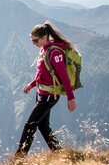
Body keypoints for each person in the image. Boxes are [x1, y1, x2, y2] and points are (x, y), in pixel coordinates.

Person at [16, 22, 77, 156]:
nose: (34, 43)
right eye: (32, 41)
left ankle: (19, 158)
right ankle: (59, 154)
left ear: (45, 37)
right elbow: (43, 74)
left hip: (49, 95)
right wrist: (32, 85)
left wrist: (71, 98)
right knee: (43, 126)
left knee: (30, 125)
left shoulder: (54, 53)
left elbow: (64, 77)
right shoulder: (44, 49)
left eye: (35, 40)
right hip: (42, 94)